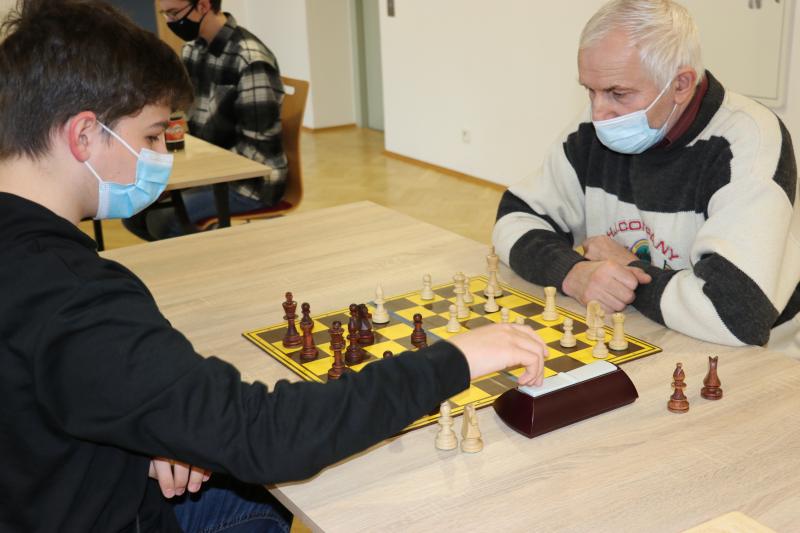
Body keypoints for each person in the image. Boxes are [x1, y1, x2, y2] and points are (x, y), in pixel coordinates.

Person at [0, 2, 547, 531]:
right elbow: (266, 435)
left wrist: (141, 437)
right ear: (84, 135)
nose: (161, 155)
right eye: (150, 136)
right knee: (279, 499)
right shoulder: (75, 296)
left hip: (48, 491)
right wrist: (455, 359)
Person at [493, 0, 800, 355]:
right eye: (590, 90)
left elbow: (735, 314)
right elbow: (514, 219)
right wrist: (573, 273)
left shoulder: (748, 140)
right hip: (641, 331)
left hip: (754, 361)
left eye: (618, 93)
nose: (598, 112)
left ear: (681, 84)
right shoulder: (597, 128)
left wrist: (627, 268)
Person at [123, 0, 287, 240]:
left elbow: (257, 148)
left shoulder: (250, 59)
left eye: (174, 13)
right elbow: (182, 112)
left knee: (164, 220)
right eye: (165, 14)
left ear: (203, 6)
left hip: (251, 183)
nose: (170, 22)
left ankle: (210, 250)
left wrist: (197, 171)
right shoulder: (193, 50)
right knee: (134, 213)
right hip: (213, 168)